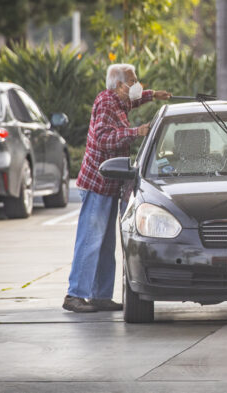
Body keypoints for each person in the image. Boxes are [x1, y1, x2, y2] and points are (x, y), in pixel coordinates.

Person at [63, 64, 171, 313]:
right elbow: (103, 138)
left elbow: (131, 102)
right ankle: (75, 294)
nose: (136, 84)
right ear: (119, 85)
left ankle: (100, 296)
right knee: (90, 241)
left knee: (105, 243)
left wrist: (153, 94)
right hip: (97, 184)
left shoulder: (118, 101)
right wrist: (137, 132)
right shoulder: (106, 103)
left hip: (111, 183)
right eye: (132, 81)